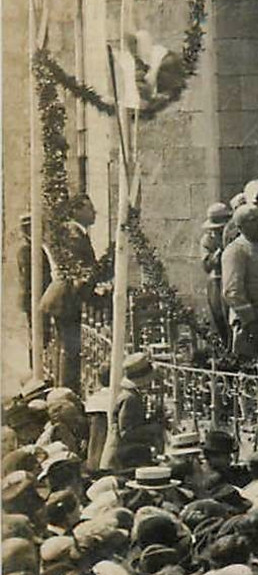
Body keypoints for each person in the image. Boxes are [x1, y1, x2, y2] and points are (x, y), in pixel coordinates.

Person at [40, 193, 99, 391]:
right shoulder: (73, 234)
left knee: (66, 347)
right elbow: (81, 270)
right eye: (89, 209)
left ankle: (63, 389)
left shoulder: (73, 232)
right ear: (76, 211)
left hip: (65, 297)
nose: (94, 213)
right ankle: (66, 392)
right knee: (70, 348)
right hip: (66, 298)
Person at [219, 204, 258, 362]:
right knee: (248, 367)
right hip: (248, 324)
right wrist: (251, 320)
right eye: (253, 220)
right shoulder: (235, 250)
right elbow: (232, 292)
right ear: (241, 226)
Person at [110, 352, 166, 468]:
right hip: (124, 455)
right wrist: (152, 428)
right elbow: (126, 432)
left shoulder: (133, 396)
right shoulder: (130, 398)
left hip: (126, 452)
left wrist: (152, 419)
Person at [199, 202, 231, 341]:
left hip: (231, 277)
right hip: (217, 280)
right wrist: (217, 254)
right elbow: (206, 265)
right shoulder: (207, 240)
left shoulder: (232, 235)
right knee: (219, 316)